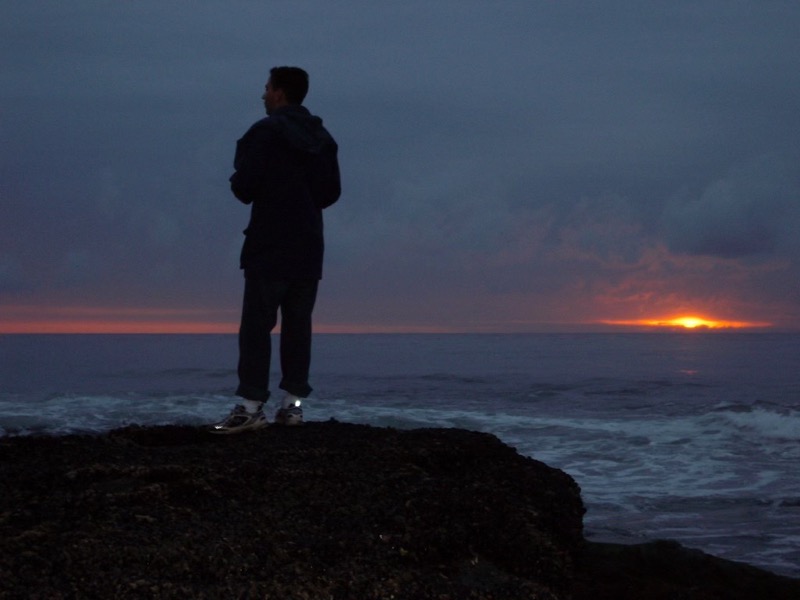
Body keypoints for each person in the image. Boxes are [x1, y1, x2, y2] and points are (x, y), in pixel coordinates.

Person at [212, 66, 341, 433]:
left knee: (257, 326)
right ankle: (292, 407)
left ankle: (251, 407)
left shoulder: (265, 132)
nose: (263, 94)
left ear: (280, 93)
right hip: (308, 245)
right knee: (298, 327)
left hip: (269, 243)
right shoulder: (322, 136)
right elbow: (331, 193)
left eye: (267, 88)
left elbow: (243, 187)